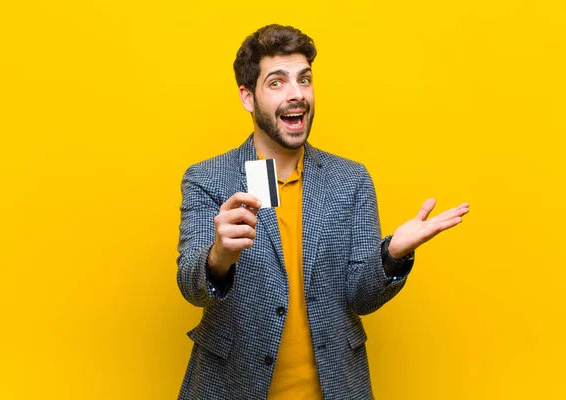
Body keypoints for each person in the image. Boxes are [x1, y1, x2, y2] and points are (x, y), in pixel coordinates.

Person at [176, 24, 469, 399]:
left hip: (335, 387)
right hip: (233, 386)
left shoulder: (351, 179)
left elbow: (361, 297)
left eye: (305, 79)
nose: (297, 94)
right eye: (277, 83)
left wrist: (392, 255)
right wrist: (219, 257)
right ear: (248, 97)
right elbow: (191, 286)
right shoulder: (207, 178)